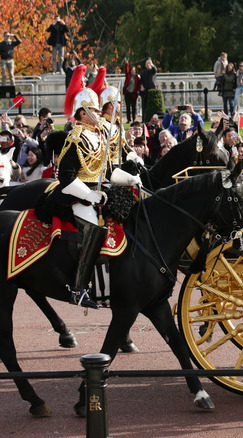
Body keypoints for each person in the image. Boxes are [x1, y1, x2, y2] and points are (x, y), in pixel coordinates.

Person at [49, 65, 139, 308]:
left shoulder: (99, 135)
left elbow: (110, 172)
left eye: (100, 109)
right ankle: (79, 288)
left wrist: (130, 179)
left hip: (99, 193)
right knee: (94, 231)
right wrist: (90, 194)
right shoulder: (75, 137)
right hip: (77, 196)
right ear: (83, 113)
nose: (100, 113)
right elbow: (66, 177)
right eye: (95, 110)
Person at [123, 56, 141, 122]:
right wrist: (126, 63)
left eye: (134, 70)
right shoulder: (128, 76)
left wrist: (138, 91)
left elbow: (138, 85)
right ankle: (128, 119)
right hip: (127, 93)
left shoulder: (137, 77)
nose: (133, 71)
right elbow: (126, 70)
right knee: (128, 107)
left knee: (134, 107)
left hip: (134, 93)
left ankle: (134, 119)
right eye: (132, 70)